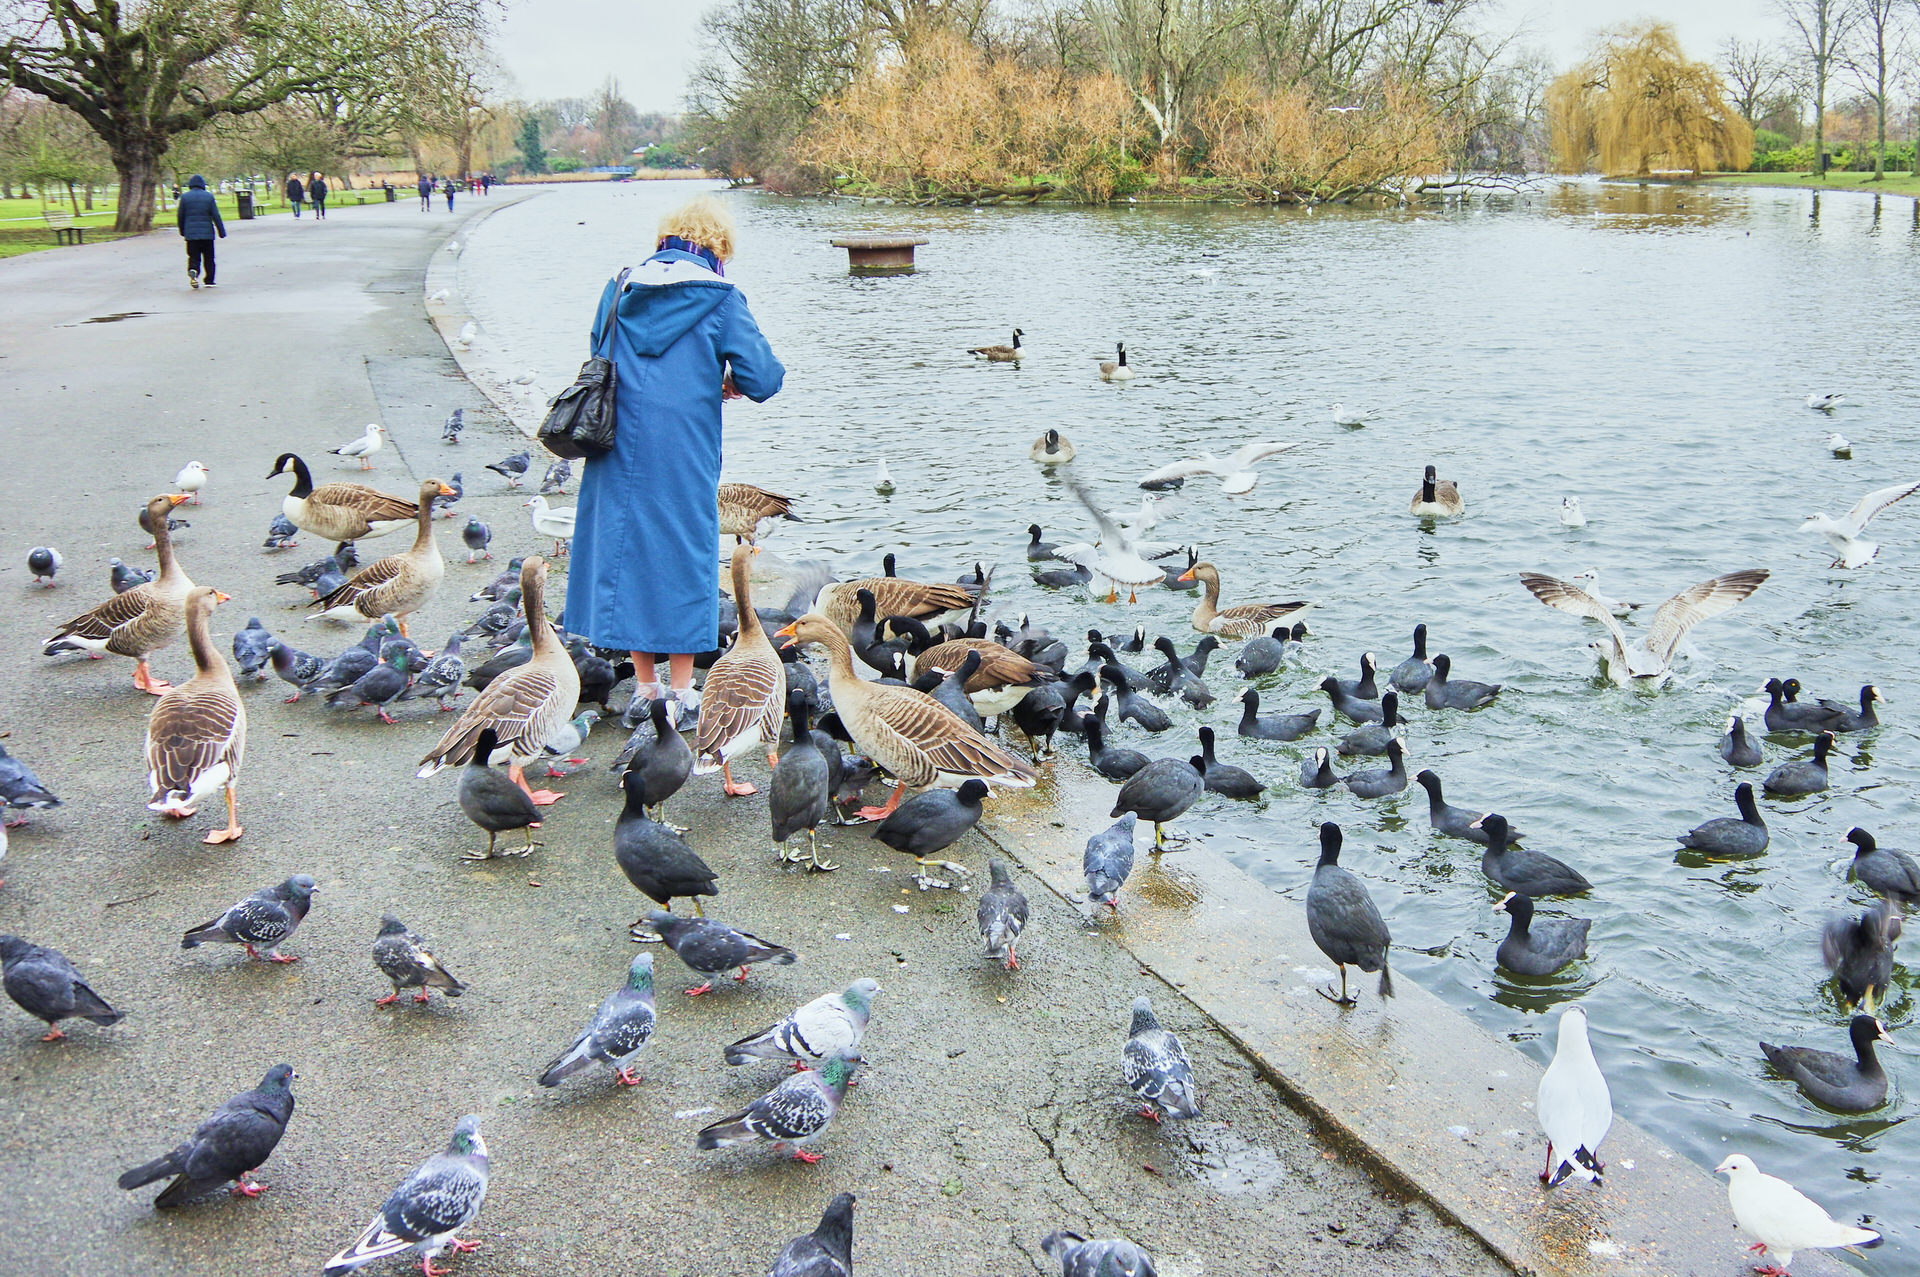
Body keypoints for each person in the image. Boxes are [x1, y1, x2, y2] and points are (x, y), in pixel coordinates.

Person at [564, 195, 784, 722]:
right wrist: (720, 377)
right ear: (718, 247)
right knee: (683, 551)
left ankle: (645, 687)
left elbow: (599, 348)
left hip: (615, 435)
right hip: (683, 443)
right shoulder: (722, 297)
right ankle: (682, 690)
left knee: (630, 548)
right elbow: (765, 379)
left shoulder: (620, 285)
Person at [176, 174, 225, 289]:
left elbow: (180, 216)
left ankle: (194, 270)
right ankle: (209, 280)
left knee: (193, 256)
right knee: (209, 258)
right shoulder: (208, 197)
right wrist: (221, 231)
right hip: (207, 234)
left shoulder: (185, 197)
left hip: (191, 234)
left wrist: (183, 231)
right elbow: (215, 215)